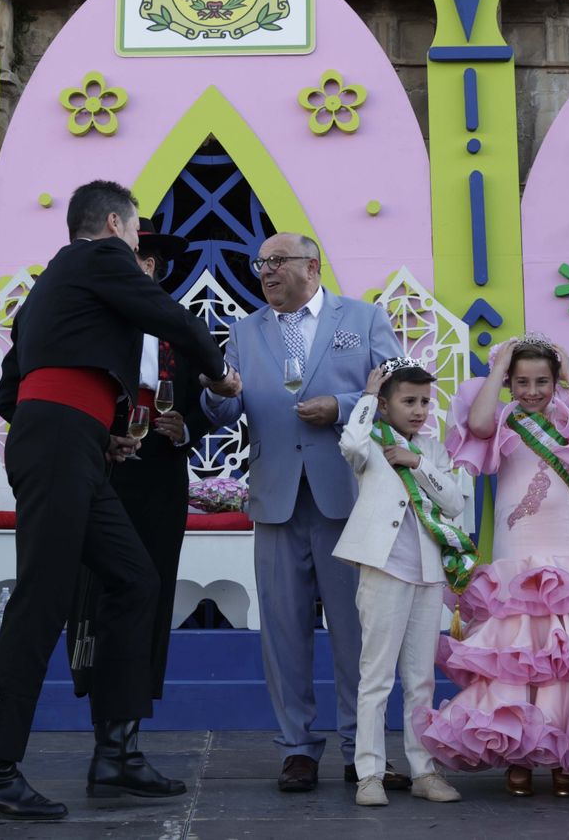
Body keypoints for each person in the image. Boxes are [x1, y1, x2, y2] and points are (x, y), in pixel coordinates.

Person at [0, 180, 237, 822]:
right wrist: (220, 372)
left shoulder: (56, 288)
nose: (138, 246)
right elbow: (175, 318)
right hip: (59, 444)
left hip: (73, 443)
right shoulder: (96, 256)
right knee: (42, 599)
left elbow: (50, 377)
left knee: (135, 579)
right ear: (115, 223)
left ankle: (115, 755)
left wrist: (102, 430)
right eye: (136, 233)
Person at [200, 232, 404, 792]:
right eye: (260, 263)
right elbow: (224, 411)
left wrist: (341, 407)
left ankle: (362, 750)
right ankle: (296, 749)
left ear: (311, 267)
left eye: (277, 262)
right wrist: (217, 390)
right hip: (276, 497)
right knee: (284, 632)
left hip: (348, 497)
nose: (266, 271)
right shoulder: (244, 331)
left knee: (354, 634)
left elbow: (402, 398)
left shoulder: (362, 320)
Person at [417, 336, 569, 798]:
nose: (532, 390)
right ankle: (518, 753)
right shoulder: (503, 417)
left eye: (542, 380)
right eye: (521, 382)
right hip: (516, 537)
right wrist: (499, 371)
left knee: (567, 651)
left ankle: (568, 755)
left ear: (556, 380)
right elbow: (477, 426)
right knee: (519, 649)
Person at [68, 218, 218, 704]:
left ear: (146, 265)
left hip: (160, 469)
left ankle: (135, 704)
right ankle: (94, 690)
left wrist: (188, 426)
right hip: (102, 463)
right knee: (94, 581)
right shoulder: (93, 322)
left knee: (152, 581)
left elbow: (215, 394)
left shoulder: (182, 325)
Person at [333, 358, 466, 807]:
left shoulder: (431, 450)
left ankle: (423, 770)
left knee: (420, 679)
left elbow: (452, 503)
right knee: (375, 676)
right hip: (384, 568)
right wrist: (367, 398)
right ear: (387, 406)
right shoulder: (370, 443)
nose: (418, 410)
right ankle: (368, 772)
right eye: (407, 401)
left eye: (425, 402)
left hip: (428, 575)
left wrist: (416, 464)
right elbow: (349, 442)